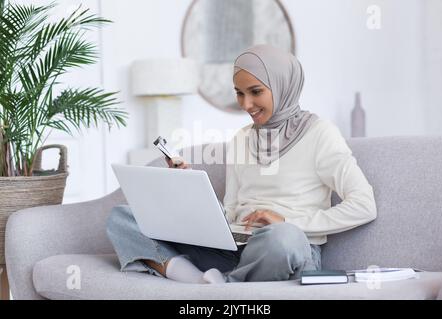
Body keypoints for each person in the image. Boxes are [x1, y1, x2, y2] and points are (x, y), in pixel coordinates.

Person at [106, 44, 377, 284]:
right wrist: (189, 191)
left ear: (283, 85)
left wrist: (288, 221)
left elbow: (364, 205)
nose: (246, 104)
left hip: (285, 250)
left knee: (283, 238)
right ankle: (201, 281)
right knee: (122, 216)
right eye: (239, 93)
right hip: (236, 248)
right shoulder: (241, 138)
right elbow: (234, 212)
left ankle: (222, 287)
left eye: (256, 92)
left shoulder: (320, 133)